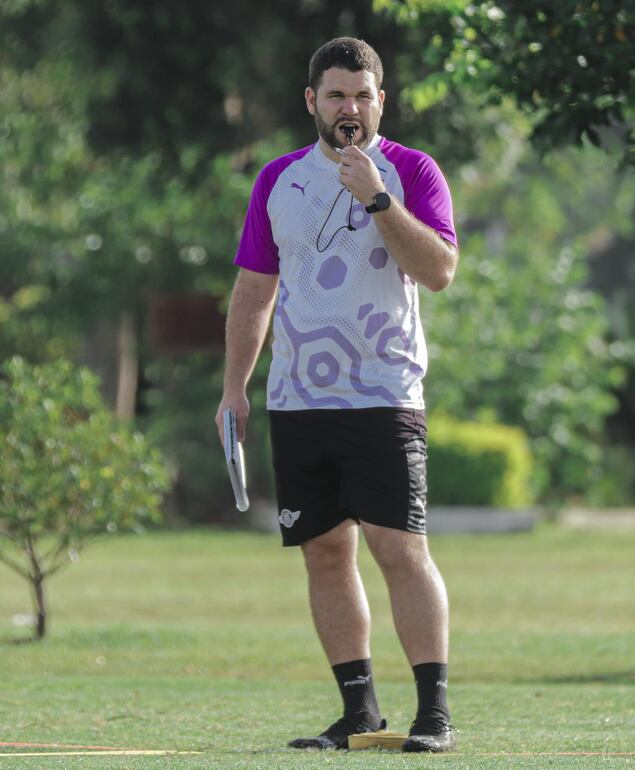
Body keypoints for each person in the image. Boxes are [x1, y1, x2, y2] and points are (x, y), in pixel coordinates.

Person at [215, 36, 459, 753]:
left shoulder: (412, 171)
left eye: (362, 95)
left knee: (399, 547)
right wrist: (235, 388)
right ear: (312, 102)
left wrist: (377, 197)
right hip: (299, 401)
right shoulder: (278, 180)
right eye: (336, 95)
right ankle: (359, 712)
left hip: (384, 394)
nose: (349, 108)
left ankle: (434, 714)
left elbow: (439, 269)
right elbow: (255, 289)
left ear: (381, 100)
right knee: (323, 552)